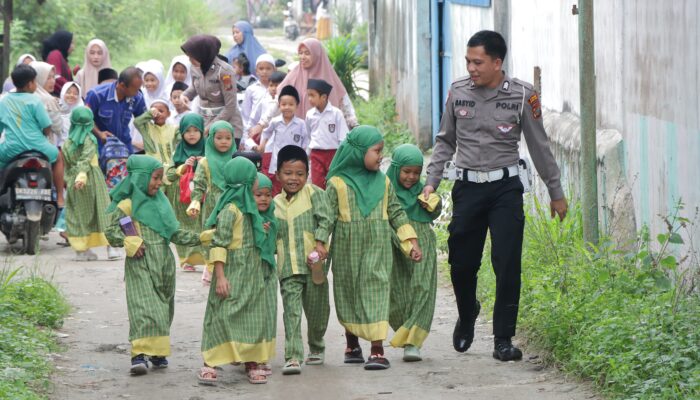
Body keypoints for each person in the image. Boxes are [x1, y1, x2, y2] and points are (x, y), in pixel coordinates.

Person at [423, 30, 568, 361]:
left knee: (506, 263)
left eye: (478, 62)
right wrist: (431, 181)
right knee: (461, 262)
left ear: (497, 62)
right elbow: (445, 140)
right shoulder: (458, 92)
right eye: (468, 62)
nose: (471, 68)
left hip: (505, 188)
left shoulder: (521, 96)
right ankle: (467, 310)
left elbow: (539, 146)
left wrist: (555, 192)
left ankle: (503, 338)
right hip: (468, 188)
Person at [325, 126, 422, 370]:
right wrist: (319, 244)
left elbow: (396, 213)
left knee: (377, 290)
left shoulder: (384, 181)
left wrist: (410, 242)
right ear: (358, 152)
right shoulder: (336, 184)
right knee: (348, 292)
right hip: (346, 250)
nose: (381, 156)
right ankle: (352, 343)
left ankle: (377, 349)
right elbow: (325, 218)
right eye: (376, 151)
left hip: (378, 248)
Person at [104, 155, 208, 375]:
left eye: (161, 178)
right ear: (141, 178)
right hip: (139, 264)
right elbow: (111, 231)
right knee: (143, 307)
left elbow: (175, 233)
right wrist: (129, 241)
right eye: (156, 178)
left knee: (163, 307)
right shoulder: (127, 205)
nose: (159, 183)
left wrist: (202, 238)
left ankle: (157, 351)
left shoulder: (162, 203)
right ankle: (139, 354)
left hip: (164, 264)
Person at [198, 157, 276, 385]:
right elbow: (219, 244)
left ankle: (252, 361)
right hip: (231, 273)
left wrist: (260, 230)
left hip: (252, 274)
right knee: (222, 314)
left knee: (252, 316)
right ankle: (210, 363)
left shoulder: (250, 208)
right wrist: (219, 276)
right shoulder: (230, 211)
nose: (256, 181)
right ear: (245, 181)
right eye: (253, 177)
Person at [273, 145, 332, 375]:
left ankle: (316, 345)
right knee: (292, 312)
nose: (293, 178)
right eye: (288, 173)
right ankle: (293, 355)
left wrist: (319, 243)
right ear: (278, 174)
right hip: (288, 268)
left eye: (299, 174)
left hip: (314, 266)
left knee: (318, 312)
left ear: (307, 175)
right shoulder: (273, 203)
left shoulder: (315, 194)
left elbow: (325, 219)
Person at [386, 144, 442, 362]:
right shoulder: (385, 191)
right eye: (406, 171)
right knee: (397, 294)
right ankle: (403, 330)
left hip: (423, 242)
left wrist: (432, 202)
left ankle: (413, 342)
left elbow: (435, 212)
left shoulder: (422, 190)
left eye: (416, 173)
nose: (411, 177)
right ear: (396, 168)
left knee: (422, 288)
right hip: (395, 243)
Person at [249, 38, 357, 139]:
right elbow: (277, 102)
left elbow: (346, 106)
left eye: (307, 53)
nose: (302, 57)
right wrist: (261, 124)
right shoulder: (293, 76)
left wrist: (355, 126)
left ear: (317, 54)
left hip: (328, 137)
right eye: (300, 53)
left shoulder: (330, 77)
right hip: (299, 135)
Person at [63, 106, 120, 261]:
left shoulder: (67, 143)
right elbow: (86, 159)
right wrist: (82, 176)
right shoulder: (90, 139)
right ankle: (111, 248)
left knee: (79, 213)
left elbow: (67, 165)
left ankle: (82, 250)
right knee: (102, 211)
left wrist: (71, 180)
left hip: (75, 182)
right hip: (92, 178)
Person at [187, 121, 237, 283]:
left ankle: (229, 269)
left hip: (233, 204)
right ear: (211, 139)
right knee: (213, 236)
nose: (224, 141)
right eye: (219, 138)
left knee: (231, 236)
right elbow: (199, 184)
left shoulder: (237, 160)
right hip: (212, 206)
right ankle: (210, 269)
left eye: (228, 138)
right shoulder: (205, 162)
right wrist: (195, 201)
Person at [180, 35, 244, 143]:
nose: (189, 60)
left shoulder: (224, 72)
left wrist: (210, 127)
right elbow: (195, 86)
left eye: (192, 56)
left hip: (226, 127)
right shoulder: (195, 68)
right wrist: (185, 95)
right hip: (205, 121)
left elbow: (230, 106)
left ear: (203, 54)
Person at [166, 113, 207, 272]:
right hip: (182, 195)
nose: (191, 134)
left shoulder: (208, 149)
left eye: (196, 130)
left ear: (202, 132)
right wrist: (183, 167)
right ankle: (187, 260)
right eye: (188, 130)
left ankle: (205, 257)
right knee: (184, 225)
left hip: (203, 192)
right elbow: (168, 175)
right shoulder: (178, 151)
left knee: (202, 223)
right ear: (182, 132)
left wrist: (203, 162)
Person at [0, 64, 58, 168]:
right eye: (35, 81)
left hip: (11, 149)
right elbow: (47, 126)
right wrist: (45, 134)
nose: (36, 84)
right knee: (58, 158)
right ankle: (59, 185)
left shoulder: (4, 101)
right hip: (38, 147)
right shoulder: (35, 100)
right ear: (29, 84)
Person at [258, 85, 308, 195]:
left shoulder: (301, 124)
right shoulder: (276, 122)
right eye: (284, 104)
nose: (287, 107)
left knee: (293, 186)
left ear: (297, 105)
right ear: (279, 105)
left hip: (295, 161)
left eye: (291, 104)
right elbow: (266, 132)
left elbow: (305, 142)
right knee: (277, 187)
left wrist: (305, 157)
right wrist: (262, 145)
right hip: (277, 160)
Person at [85, 67, 147, 155]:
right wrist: (99, 133)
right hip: (100, 147)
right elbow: (86, 119)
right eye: (135, 89)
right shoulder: (96, 95)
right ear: (122, 85)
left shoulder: (137, 98)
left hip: (125, 147)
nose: (138, 93)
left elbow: (144, 122)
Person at [30, 61, 66, 208]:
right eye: (48, 77)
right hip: (42, 145)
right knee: (58, 158)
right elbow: (58, 128)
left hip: (16, 145)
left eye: (53, 77)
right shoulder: (47, 100)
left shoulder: (12, 95)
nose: (53, 81)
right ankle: (59, 197)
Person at [305, 78, 348, 189]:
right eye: (308, 95)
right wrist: (307, 153)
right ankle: (320, 205)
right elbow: (309, 136)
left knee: (334, 182)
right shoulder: (310, 115)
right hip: (316, 154)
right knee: (317, 184)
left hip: (333, 154)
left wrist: (341, 156)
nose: (309, 99)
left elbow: (343, 137)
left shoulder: (336, 113)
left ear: (323, 97)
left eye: (312, 95)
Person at [133, 99, 177, 165]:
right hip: (152, 166)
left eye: (161, 111)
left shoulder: (174, 128)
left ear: (169, 114)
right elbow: (137, 122)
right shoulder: (147, 128)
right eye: (155, 112)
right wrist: (150, 113)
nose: (158, 114)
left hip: (171, 167)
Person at [241, 54, 275, 132]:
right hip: (253, 130)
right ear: (256, 71)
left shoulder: (278, 89)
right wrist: (247, 134)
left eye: (268, 68)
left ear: (274, 70)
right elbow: (245, 114)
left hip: (272, 130)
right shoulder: (251, 89)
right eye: (261, 68)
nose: (264, 71)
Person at [41, 30, 75, 96]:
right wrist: (72, 88)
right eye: (71, 43)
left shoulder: (61, 57)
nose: (73, 47)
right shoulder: (55, 55)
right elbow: (57, 78)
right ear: (64, 42)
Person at [59, 82, 84, 150]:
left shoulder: (81, 113)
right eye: (68, 92)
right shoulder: (56, 108)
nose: (71, 95)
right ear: (63, 93)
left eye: (75, 94)